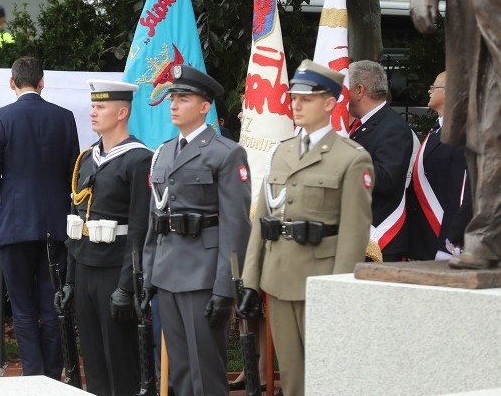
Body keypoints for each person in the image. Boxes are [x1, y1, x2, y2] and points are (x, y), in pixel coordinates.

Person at [239, 59, 374, 396]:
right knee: (293, 376)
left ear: (329, 103)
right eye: (293, 97)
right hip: (278, 277)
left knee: (326, 374)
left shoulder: (351, 158)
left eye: (307, 98)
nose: (296, 104)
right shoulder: (281, 152)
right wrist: (250, 282)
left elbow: (355, 234)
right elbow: (263, 221)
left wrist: (338, 291)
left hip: (321, 280)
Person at [409, 0, 501, 269]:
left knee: (492, 127)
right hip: (468, 20)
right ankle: (488, 236)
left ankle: (484, 237)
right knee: (469, 128)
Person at [142, 65, 252, 396]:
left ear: (204, 106)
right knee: (180, 372)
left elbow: (235, 226)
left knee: (205, 372)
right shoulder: (162, 153)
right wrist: (147, 277)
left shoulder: (226, 153)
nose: (174, 104)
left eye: (183, 98)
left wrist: (225, 288)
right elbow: (155, 222)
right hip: (167, 273)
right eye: (173, 97)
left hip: (203, 276)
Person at [0, 57, 79, 379]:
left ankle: (33, 376)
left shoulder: (1, 117)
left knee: (23, 308)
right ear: (42, 81)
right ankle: (51, 375)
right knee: (53, 306)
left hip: (16, 223)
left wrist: (9, 199)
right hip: (56, 221)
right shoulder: (64, 118)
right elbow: (72, 173)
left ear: (12, 83)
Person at [56, 79, 151, 395]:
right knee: (93, 357)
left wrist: (127, 286)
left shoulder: (139, 159)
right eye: (93, 105)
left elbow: (140, 228)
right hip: (85, 268)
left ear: (122, 112)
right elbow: (76, 223)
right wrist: (69, 281)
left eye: (101, 106)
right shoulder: (85, 159)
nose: (92, 112)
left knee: (121, 358)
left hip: (115, 271)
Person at [347, 60, 416, 261]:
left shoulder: (393, 128)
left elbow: (386, 179)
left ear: (359, 90)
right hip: (357, 232)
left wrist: (342, 165)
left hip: (379, 239)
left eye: (345, 88)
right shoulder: (363, 125)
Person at [406, 72, 473, 261]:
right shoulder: (439, 128)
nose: (429, 91)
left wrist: (450, 239)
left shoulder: (461, 133)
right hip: (423, 233)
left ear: (447, 92)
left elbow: (461, 193)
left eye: (433, 88)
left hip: (442, 239)